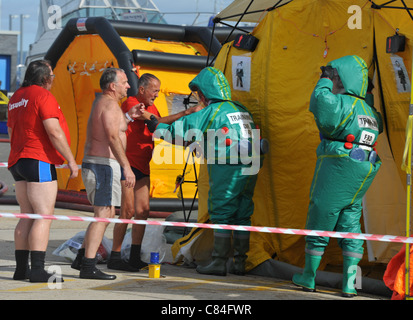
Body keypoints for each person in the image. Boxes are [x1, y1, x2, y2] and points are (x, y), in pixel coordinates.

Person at [144, 67, 264, 276]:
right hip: (251, 163)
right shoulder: (241, 109)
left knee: (222, 211)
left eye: (199, 93)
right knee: (243, 212)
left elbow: (181, 132)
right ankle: (240, 262)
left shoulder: (213, 111)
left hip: (227, 164)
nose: (199, 97)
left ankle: (218, 262)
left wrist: (156, 126)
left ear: (205, 92)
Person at [292, 55, 383, 297]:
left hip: (338, 163)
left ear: (340, 78)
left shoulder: (343, 103)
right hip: (364, 168)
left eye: (334, 76)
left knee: (321, 213)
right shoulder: (369, 110)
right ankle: (349, 284)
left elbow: (322, 104)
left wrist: (323, 79)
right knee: (350, 221)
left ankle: (308, 278)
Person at [107, 73, 202, 271]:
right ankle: (115, 256)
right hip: (129, 163)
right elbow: (156, 121)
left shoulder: (152, 106)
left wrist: (186, 140)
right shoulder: (133, 103)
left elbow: (160, 127)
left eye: (159, 91)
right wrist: (187, 112)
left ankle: (134, 255)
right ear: (142, 89)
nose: (157, 94)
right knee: (127, 211)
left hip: (143, 165)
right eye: (155, 90)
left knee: (143, 212)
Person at [7, 60, 78, 283]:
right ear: (45, 78)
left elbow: (11, 131)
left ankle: (21, 270)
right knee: (43, 216)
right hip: (38, 159)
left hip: (17, 160)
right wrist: (71, 160)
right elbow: (54, 131)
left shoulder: (16, 98)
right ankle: (37, 270)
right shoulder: (43, 96)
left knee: (26, 215)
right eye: (52, 76)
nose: (54, 79)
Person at [72, 68, 143, 280]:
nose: (128, 85)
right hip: (103, 165)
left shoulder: (105, 103)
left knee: (107, 214)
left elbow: (111, 130)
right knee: (103, 215)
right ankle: (88, 266)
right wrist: (127, 167)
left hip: (101, 164)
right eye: (124, 82)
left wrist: (130, 117)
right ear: (113, 86)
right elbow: (112, 137)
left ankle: (81, 257)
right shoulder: (110, 104)